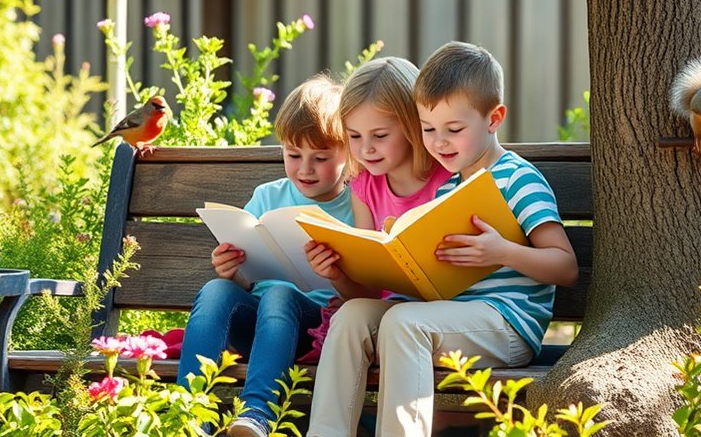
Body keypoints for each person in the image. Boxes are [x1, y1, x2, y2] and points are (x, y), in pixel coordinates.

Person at [305, 42, 579, 437]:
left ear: (494, 118)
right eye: (429, 130)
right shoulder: (447, 186)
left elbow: (565, 266)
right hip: (450, 318)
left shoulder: (518, 179)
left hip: (507, 325)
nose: (439, 143)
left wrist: (501, 250)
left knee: (404, 323)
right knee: (350, 319)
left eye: (453, 130)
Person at [176, 74, 353, 437]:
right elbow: (250, 279)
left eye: (320, 157)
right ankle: (189, 414)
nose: (305, 169)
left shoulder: (357, 206)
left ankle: (256, 415)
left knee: (280, 293)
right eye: (293, 155)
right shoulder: (267, 196)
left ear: (349, 152)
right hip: (257, 324)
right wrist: (233, 272)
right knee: (215, 290)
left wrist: (335, 272)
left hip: (312, 328)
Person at [304, 57, 451, 301]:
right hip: (385, 310)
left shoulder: (448, 177)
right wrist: (336, 275)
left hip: (437, 311)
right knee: (350, 314)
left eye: (380, 135)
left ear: (412, 126)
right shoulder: (363, 186)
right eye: (354, 136)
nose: (365, 149)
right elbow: (369, 291)